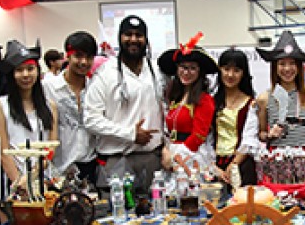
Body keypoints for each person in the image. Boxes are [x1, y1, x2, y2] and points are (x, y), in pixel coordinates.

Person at [83, 15, 164, 194]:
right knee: (119, 217)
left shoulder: (156, 71)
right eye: (128, 34)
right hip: (117, 161)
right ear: (120, 38)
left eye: (138, 35)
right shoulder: (105, 74)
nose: (133, 39)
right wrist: (130, 134)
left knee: (159, 214)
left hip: (152, 161)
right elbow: (90, 119)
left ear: (146, 39)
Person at [0, 40, 59, 184]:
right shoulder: (0, 105)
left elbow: (51, 146)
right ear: (12, 74)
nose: (25, 74)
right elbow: (3, 151)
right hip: (14, 179)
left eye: (30, 69)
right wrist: (19, 181)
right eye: (19, 70)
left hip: (43, 177)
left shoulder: (50, 106)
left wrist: (33, 175)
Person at [158, 34, 218, 171]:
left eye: (192, 68)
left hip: (192, 156)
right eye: (183, 67)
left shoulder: (205, 100)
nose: (186, 72)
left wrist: (176, 157)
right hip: (172, 154)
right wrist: (166, 150)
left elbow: (198, 136)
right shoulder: (175, 97)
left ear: (199, 72)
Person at [43, 31, 98, 182]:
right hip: (59, 166)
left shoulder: (95, 88)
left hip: (90, 164)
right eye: (78, 56)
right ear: (67, 56)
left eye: (89, 57)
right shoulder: (49, 87)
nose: (84, 62)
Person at [255, 30, 305, 148]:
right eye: (282, 63)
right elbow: (261, 133)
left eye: (292, 63)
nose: (287, 68)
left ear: (299, 67)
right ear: (275, 67)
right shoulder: (264, 98)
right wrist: (269, 135)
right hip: (277, 158)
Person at [212, 48, 258, 186]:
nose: (230, 75)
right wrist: (214, 168)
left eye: (236, 70)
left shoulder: (251, 104)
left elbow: (250, 139)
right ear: (220, 70)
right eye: (226, 69)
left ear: (244, 73)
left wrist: (233, 164)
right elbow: (205, 138)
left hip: (242, 165)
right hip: (215, 165)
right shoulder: (211, 102)